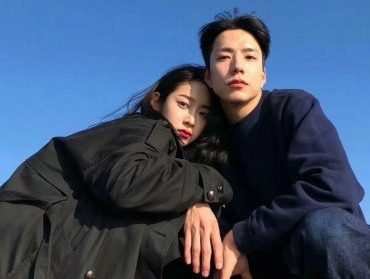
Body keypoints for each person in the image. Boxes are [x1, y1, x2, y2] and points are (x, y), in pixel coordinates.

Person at [184, 11, 370, 278]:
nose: (237, 67)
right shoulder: (202, 136)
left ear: (263, 75)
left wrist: (242, 236)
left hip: (326, 256)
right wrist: (195, 202)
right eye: (224, 57)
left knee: (324, 227)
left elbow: (332, 187)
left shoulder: (294, 107)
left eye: (249, 57)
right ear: (209, 78)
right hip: (264, 265)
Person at [0, 64, 233, 279]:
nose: (191, 120)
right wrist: (209, 183)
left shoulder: (148, 150)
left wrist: (197, 198)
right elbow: (128, 181)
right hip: (28, 253)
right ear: (156, 102)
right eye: (183, 104)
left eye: (203, 114)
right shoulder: (151, 129)